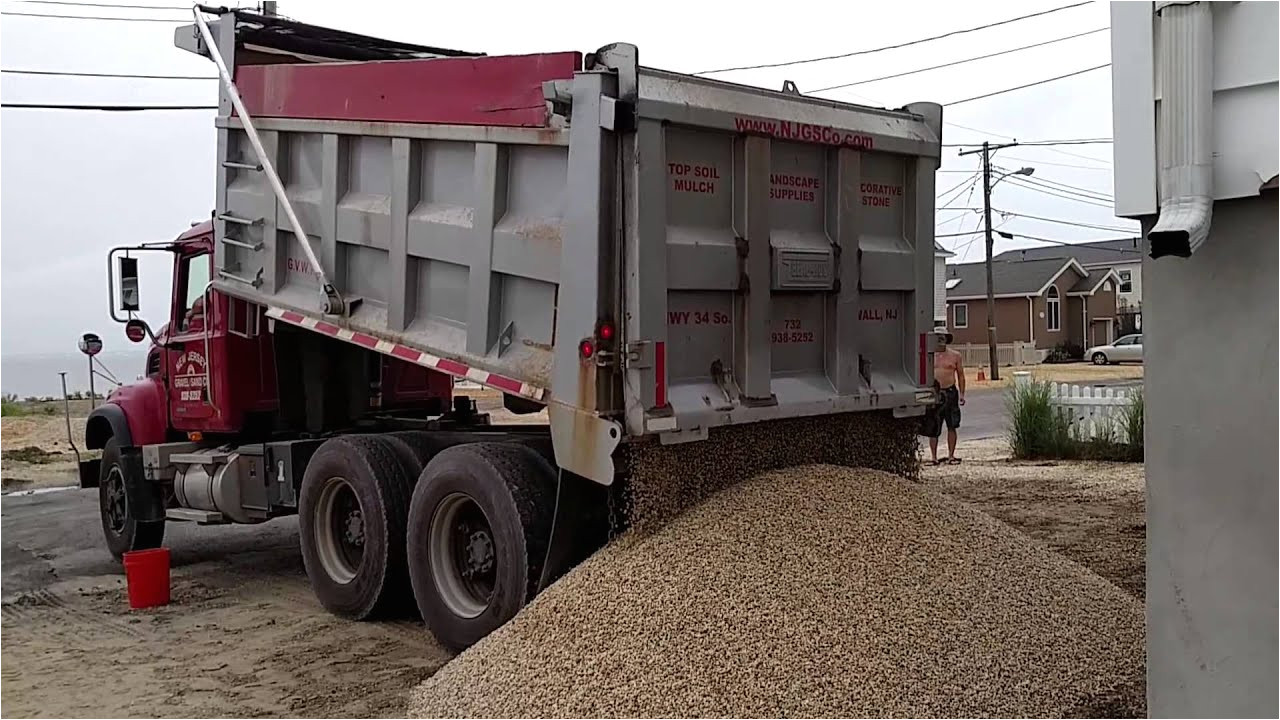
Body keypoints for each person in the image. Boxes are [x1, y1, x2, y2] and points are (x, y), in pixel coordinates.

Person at [923, 329, 965, 465]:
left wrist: (962, 394)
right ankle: (934, 457)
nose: (941, 341)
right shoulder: (929, 356)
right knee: (933, 425)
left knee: (952, 424)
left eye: (943, 338)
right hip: (935, 393)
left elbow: (961, 375)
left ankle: (951, 455)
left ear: (947, 340)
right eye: (938, 338)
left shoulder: (955, 355)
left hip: (951, 392)